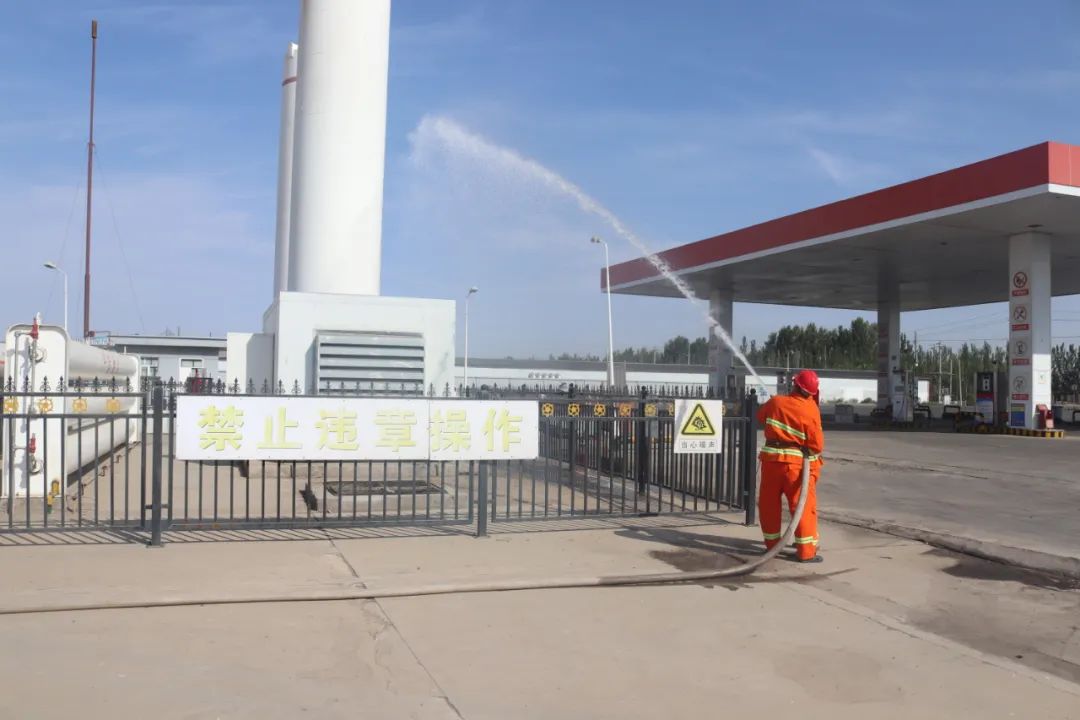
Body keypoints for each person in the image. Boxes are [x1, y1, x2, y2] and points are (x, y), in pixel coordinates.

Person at [756, 369, 824, 563]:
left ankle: (772, 546)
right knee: (802, 507)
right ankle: (806, 552)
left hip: (771, 462)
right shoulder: (811, 409)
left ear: (795, 385)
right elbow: (817, 445)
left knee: (769, 505)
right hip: (796, 467)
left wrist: (777, 411)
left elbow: (760, 417)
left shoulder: (776, 402)